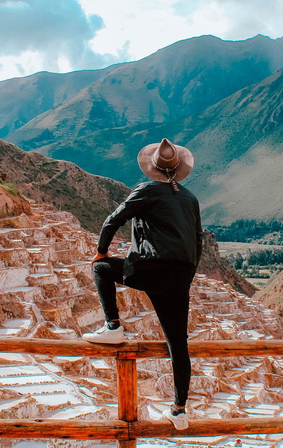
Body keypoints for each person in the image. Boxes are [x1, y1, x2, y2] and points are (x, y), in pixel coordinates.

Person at [82, 138, 202, 430]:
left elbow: (114, 220)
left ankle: (113, 326)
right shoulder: (189, 198)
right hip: (182, 274)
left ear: (153, 167)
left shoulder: (147, 190)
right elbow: (198, 241)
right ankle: (179, 410)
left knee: (101, 267)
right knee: (178, 343)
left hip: (152, 269)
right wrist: (188, 272)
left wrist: (101, 250)